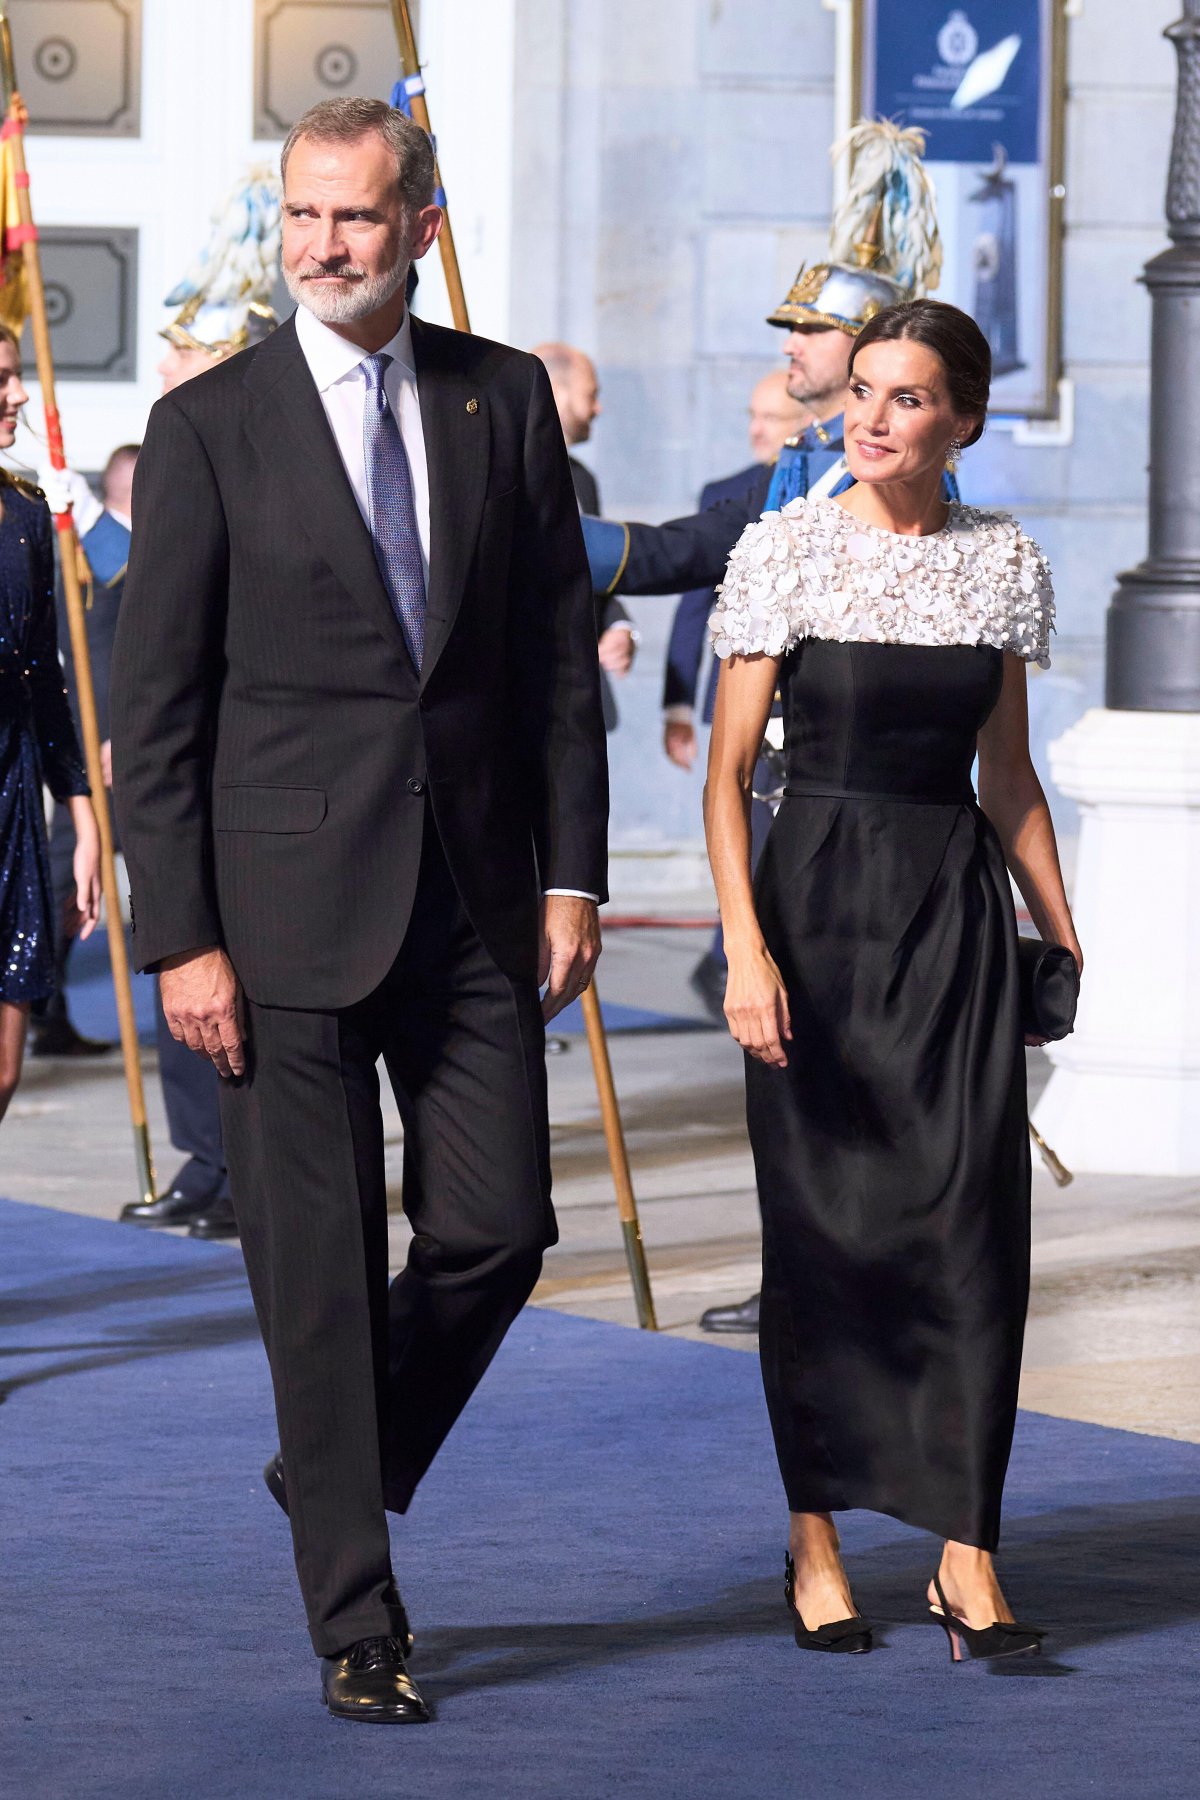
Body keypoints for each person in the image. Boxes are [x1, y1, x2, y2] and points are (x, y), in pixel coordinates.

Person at [110, 97, 607, 1723]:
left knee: (498, 1230)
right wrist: (181, 934)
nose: (324, 247)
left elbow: (552, 668)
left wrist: (570, 874)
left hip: (474, 903)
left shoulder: (504, 400)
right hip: (271, 925)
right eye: (304, 218)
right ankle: (356, 1614)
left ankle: (338, 1462)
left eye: (357, 220)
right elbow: (157, 715)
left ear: (422, 225)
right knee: (313, 1282)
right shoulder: (209, 427)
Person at [705, 296, 1080, 1658]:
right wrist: (744, 949)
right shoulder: (784, 553)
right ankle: (814, 1543)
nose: (869, 415)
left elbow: (1010, 775)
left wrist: (1066, 929)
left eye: (905, 395)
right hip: (811, 928)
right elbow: (730, 778)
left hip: (955, 930)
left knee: (976, 1243)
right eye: (861, 389)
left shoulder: (1004, 564)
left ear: (963, 420)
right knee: (823, 1244)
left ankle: (966, 1558)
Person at [120, 170, 283, 1241]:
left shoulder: (266, 458)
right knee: (171, 950)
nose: (170, 368)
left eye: (190, 353)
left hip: (258, 771)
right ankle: (202, 1159)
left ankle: (240, 1166)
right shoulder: (176, 451)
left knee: (246, 981)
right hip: (175, 763)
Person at [661, 370, 806, 1019]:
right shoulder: (727, 495)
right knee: (744, 818)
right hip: (750, 703)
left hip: (817, 710)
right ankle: (733, 949)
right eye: (752, 414)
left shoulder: (847, 488)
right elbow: (694, 606)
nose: (755, 429)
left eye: (769, 418)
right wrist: (678, 704)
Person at [0, 322, 101, 1123]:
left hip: (11, 818)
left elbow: (46, 683)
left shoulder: (25, 515)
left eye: (18, 375)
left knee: (2, 1073)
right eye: (3, 378)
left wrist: (83, 815)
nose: (20, 394)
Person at [35, 445, 139, 1059]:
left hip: (108, 742)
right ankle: (34, 1003)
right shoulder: (108, 547)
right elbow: (107, 661)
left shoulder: (103, 543)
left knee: (72, 878)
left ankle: (45, 1008)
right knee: (67, 876)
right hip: (104, 746)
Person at [533, 340, 637, 729]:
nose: (599, 408)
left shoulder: (583, 480)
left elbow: (591, 568)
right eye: (591, 394)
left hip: (580, 703)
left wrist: (620, 627)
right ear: (555, 391)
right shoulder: (496, 471)